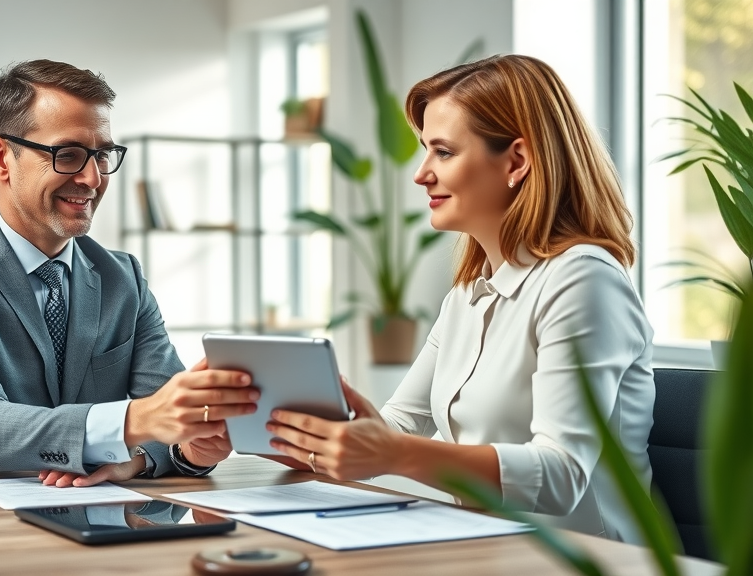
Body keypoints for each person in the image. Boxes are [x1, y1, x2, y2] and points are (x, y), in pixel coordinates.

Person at [265, 54, 654, 543]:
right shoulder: (470, 293)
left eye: (443, 152)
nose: (421, 173)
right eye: (425, 150)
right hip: (484, 545)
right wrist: (288, 435)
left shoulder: (584, 280)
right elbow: (404, 422)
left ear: (517, 161)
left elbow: (561, 476)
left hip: (590, 558)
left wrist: (391, 452)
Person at [0, 59, 259, 485]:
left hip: (92, 515)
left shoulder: (123, 278)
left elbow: (169, 424)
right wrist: (133, 422)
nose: (92, 178)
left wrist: (172, 451)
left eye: (102, 155)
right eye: (67, 155)